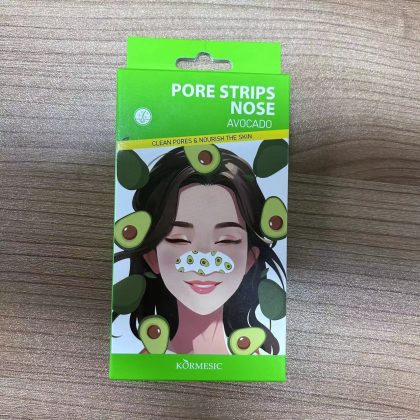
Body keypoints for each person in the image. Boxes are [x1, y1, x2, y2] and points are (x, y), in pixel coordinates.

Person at [113, 146, 286, 355]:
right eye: (179, 239)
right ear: (152, 258)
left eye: (227, 240)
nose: (203, 257)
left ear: (250, 258)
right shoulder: (139, 363)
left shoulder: (261, 364)